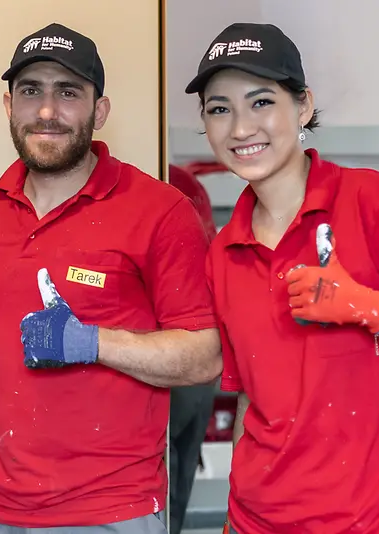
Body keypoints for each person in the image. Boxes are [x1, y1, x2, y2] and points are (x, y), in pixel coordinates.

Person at [186, 23, 379, 534]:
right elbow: (249, 402)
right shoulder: (223, 253)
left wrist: (370, 308)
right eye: (220, 109)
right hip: (257, 521)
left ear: (302, 106)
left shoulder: (376, 204)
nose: (240, 128)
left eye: (261, 102)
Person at [0, 22, 223, 534]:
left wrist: (92, 342)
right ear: (9, 106)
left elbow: (205, 355)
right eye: (31, 91)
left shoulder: (159, 211)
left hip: (110, 509)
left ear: (100, 110)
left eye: (67, 92)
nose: (47, 111)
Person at [164, 164, 218, 534]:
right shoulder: (186, 184)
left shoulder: (176, 184)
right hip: (202, 357)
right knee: (179, 471)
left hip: (172, 354)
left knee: (168, 469)